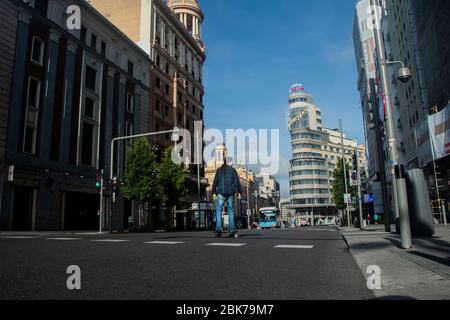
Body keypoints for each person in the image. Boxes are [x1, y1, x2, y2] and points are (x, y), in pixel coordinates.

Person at [212, 157, 242, 238]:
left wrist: (213, 192)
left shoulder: (219, 170)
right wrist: (239, 192)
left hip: (220, 193)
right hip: (230, 193)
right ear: (230, 162)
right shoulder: (233, 170)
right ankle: (232, 230)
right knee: (231, 211)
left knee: (218, 210)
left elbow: (215, 181)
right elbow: (237, 182)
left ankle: (218, 230)